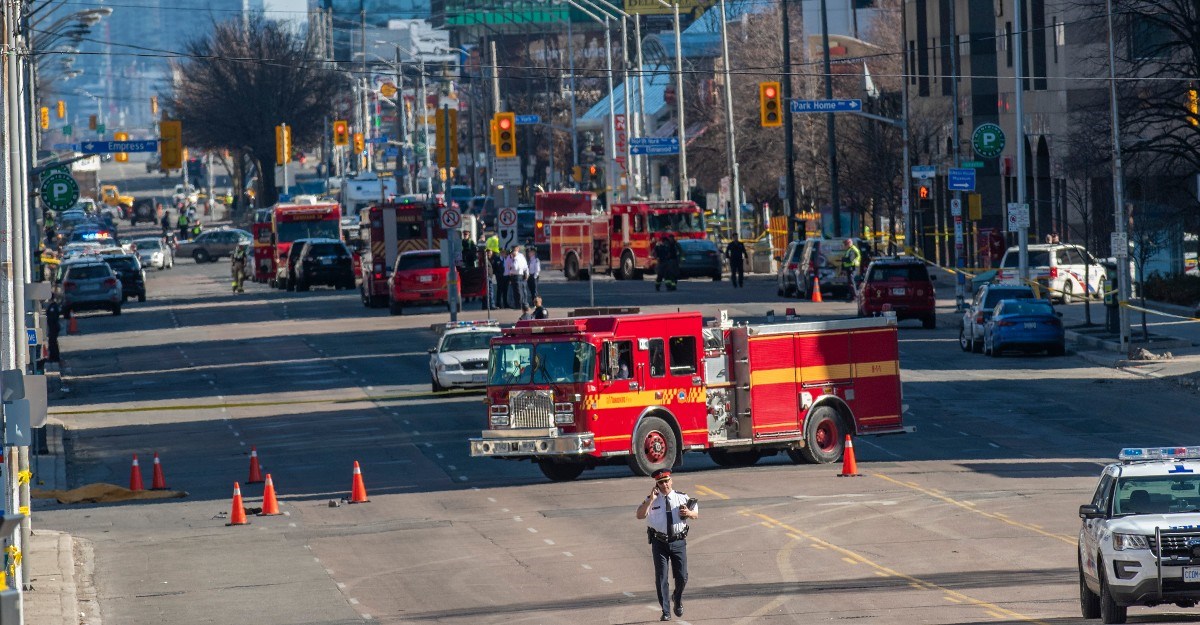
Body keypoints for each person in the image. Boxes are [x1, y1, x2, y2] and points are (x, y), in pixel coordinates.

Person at [636, 469, 697, 621]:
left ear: (671, 481)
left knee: (682, 576)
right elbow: (639, 515)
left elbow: (695, 514)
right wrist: (650, 499)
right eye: (660, 483)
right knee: (662, 577)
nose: (664, 485)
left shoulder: (682, 497)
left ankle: (677, 597)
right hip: (660, 542)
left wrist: (688, 513)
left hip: (678, 541)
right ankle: (666, 611)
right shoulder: (652, 500)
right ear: (656, 484)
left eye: (666, 481)